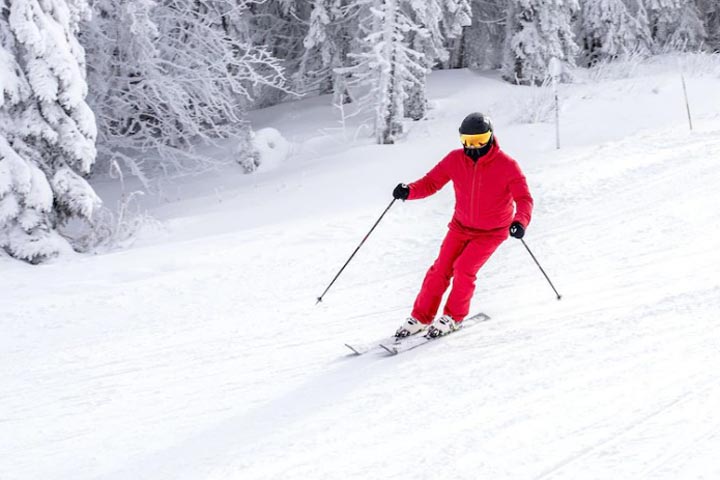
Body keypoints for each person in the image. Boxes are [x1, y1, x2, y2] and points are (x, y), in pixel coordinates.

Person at [392, 112, 533, 339]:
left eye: (479, 140)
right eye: (467, 141)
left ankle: (453, 317)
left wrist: (520, 221)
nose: (473, 146)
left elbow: (524, 199)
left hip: (491, 232)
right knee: (440, 270)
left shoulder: (507, 165)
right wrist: (409, 191)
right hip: (460, 227)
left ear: (490, 137)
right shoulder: (455, 159)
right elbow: (431, 183)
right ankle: (421, 318)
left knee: (464, 269)